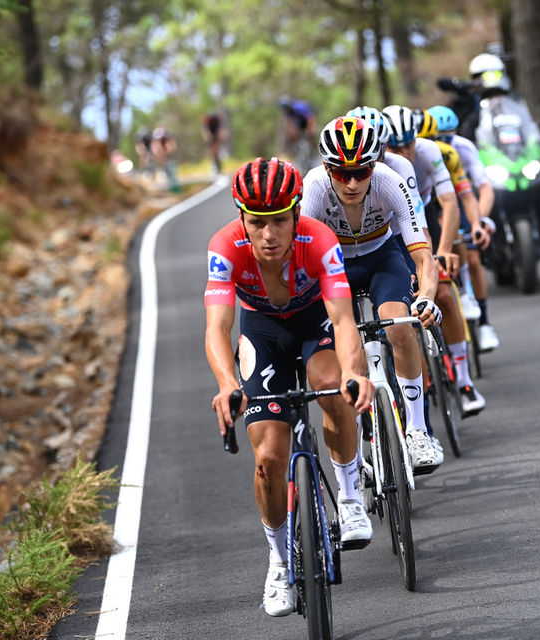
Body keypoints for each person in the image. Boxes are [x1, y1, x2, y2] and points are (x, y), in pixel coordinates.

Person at [204, 157, 375, 617]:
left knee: (331, 384)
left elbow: (342, 319)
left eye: (279, 220)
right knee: (268, 458)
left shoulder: (319, 240)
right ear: (242, 217)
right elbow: (218, 328)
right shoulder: (224, 247)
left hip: (313, 322)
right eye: (257, 223)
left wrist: (355, 371)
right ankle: (279, 560)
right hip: (261, 332)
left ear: (296, 212)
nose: (268, 235)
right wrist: (226, 385)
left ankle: (349, 492)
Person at [300, 116, 444, 473]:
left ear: (375, 164)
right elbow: (302, 261)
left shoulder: (390, 181)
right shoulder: (315, 187)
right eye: (340, 172)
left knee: (398, 326)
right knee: (344, 342)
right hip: (335, 266)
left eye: (361, 172)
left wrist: (426, 297)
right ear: (325, 165)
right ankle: (364, 431)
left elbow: (424, 257)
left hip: (383, 257)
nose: (350, 182)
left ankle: (417, 431)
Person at [384, 105, 488, 417]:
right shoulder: (383, 166)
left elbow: (449, 203)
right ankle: (422, 389)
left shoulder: (430, 151)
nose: (404, 152)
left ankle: (465, 382)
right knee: (403, 312)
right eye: (395, 146)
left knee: (442, 290)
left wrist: (440, 253)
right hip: (391, 230)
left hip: (427, 216)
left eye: (409, 143)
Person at [428, 104, 501, 352]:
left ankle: (484, 322)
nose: (447, 141)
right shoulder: (427, 150)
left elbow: (483, 188)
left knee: (473, 256)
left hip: (459, 197)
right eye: (441, 137)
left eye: (450, 135)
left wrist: (479, 222)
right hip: (434, 202)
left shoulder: (463, 148)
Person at [277, 97, 319, 175]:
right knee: (296, 140)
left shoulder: (299, 107)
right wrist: (290, 134)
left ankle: (315, 154)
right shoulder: (288, 112)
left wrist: (310, 132)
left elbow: (310, 119)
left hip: (309, 121)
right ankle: (300, 159)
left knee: (310, 137)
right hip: (300, 124)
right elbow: (289, 124)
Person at [151, 125, 180, 191]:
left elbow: (171, 147)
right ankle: (171, 189)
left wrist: (165, 152)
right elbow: (155, 149)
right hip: (163, 159)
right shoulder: (156, 142)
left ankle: (175, 189)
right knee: (167, 174)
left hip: (168, 158)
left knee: (172, 172)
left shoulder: (167, 139)